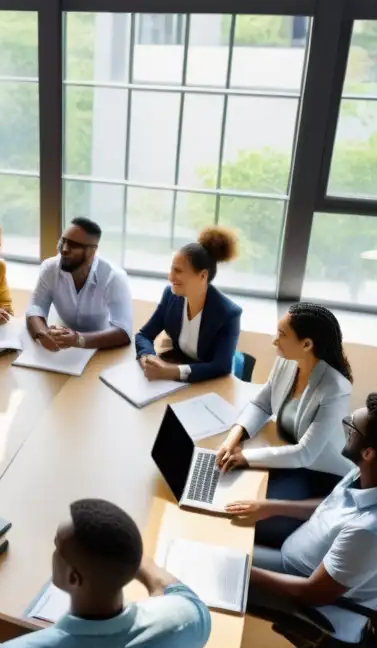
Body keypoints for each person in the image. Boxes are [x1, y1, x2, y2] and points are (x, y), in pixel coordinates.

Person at [225, 393, 377, 645]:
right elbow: (333, 505)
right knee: (221, 530)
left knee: (209, 566)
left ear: (368, 452)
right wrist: (271, 507)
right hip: (307, 550)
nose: (344, 426)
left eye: (352, 426)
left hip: (308, 598)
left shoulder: (371, 532)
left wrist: (240, 571)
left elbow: (312, 593)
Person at [0, 499, 210, 648]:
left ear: (74, 578)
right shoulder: (187, 619)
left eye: (57, 548)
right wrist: (125, 555)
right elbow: (170, 587)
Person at [215, 303, 354, 548]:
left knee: (243, 516)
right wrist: (233, 438)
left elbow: (305, 453)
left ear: (307, 344)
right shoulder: (287, 361)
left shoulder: (335, 389)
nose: (274, 340)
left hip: (318, 475)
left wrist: (245, 456)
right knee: (228, 487)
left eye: (282, 335)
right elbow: (263, 402)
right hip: (287, 456)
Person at [135, 226, 243, 382]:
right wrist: (149, 358)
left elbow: (221, 366)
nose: (171, 277)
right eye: (172, 269)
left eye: (178, 271)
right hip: (180, 375)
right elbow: (144, 335)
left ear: (202, 276)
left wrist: (171, 371)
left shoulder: (228, 313)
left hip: (211, 382)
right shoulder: (170, 295)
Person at [25, 217, 132, 351]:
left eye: (73, 245)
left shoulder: (114, 276)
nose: (64, 249)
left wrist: (79, 339)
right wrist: (43, 334)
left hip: (101, 346)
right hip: (62, 346)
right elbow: (36, 306)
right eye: (62, 242)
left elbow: (123, 330)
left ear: (91, 252)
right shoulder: (50, 268)